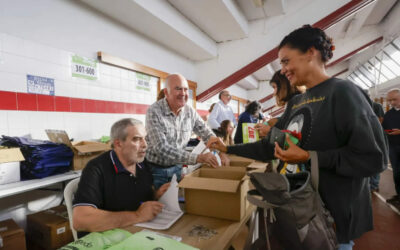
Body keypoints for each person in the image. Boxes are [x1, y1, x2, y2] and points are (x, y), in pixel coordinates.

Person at [208, 25, 388, 249]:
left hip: (330, 221)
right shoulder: (296, 102)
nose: (283, 70)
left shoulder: (344, 93)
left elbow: (374, 159)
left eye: (285, 61)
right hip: (297, 214)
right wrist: (228, 149)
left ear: (310, 53)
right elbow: (269, 147)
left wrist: (309, 157)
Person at [72, 118, 169, 237]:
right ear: (118, 143)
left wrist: (157, 195)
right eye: (137, 139)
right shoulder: (96, 168)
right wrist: (137, 216)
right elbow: (81, 220)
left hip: (135, 231)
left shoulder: (142, 164)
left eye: (145, 138)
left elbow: (139, 196)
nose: (145, 145)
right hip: (105, 239)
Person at [145, 74, 229, 189]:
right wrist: (198, 158)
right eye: (178, 89)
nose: (183, 93)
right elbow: (161, 148)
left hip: (177, 168)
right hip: (156, 171)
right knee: (159, 205)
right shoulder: (154, 111)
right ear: (166, 92)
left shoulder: (189, 111)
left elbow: (206, 133)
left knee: (175, 204)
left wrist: (222, 152)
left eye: (185, 89)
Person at [255, 70, 303, 137]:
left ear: (283, 85)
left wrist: (270, 130)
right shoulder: (294, 102)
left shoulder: (295, 102)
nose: (274, 93)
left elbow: (293, 136)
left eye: (275, 87)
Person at [382, 88, 400, 206]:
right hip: (393, 147)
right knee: (397, 173)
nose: (391, 102)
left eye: (394, 99)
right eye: (390, 100)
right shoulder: (389, 113)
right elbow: (384, 127)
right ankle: (399, 195)